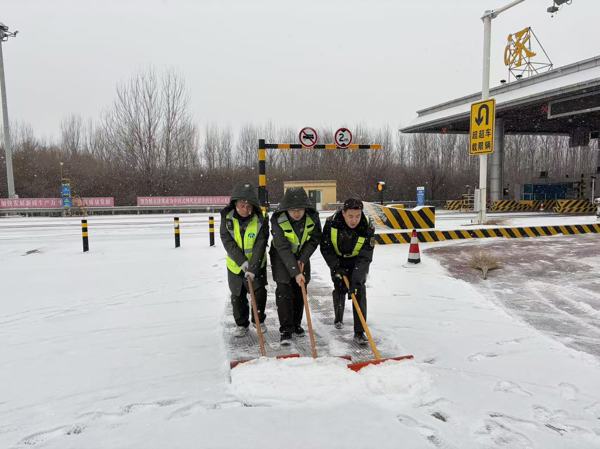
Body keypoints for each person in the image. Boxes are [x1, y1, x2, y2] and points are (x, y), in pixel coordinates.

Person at [270, 187, 322, 345]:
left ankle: (296, 323)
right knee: (284, 290)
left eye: (300, 209)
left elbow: (315, 239)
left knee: (300, 289)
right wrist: (295, 271)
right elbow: (282, 247)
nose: (297, 213)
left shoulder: (312, 217)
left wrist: (303, 258)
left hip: (301, 255)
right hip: (281, 257)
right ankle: (286, 329)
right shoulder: (278, 219)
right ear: (286, 209)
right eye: (293, 210)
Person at [320, 198, 375, 345]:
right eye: (350, 216)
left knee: (358, 290)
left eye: (357, 216)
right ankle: (338, 317)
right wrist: (336, 266)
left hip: (357, 261)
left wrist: (357, 278)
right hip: (337, 259)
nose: (354, 220)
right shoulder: (331, 223)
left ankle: (359, 332)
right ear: (343, 213)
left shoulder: (367, 226)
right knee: (339, 287)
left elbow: (366, 255)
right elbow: (325, 247)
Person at [220, 182, 269, 338]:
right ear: (235, 204)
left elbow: (261, 244)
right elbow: (228, 242)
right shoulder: (227, 219)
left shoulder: (260, 220)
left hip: (257, 264)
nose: (246, 209)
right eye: (242, 206)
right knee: (237, 296)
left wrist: (252, 267)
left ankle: (258, 321)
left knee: (259, 293)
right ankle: (241, 324)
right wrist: (242, 262)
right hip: (235, 266)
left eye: (249, 206)